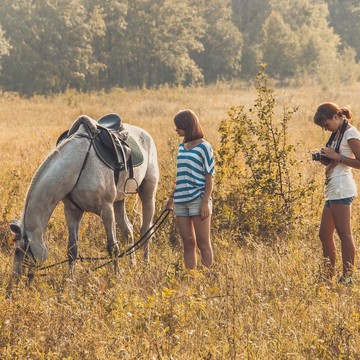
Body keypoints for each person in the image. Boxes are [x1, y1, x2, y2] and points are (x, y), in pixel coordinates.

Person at [313, 102, 360, 284]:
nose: (326, 129)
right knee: (324, 234)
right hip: (332, 187)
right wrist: (324, 158)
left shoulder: (350, 133)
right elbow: (334, 161)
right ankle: (327, 276)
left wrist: (337, 156)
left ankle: (348, 278)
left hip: (342, 187)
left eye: (326, 124)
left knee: (344, 233)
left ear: (336, 116)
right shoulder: (337, 132)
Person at [167, 109, 215, 270]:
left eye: (178, 127)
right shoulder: (182, 147)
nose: (176, 130)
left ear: (187, 126)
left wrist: (205, 202)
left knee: (203, 242)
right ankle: (191, 276)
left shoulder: (204, 147)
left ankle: (208, 276)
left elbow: (210, 177)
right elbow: (182, 175)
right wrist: (172, 198)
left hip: (198, 200)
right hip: (181, 202)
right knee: (188, 243)